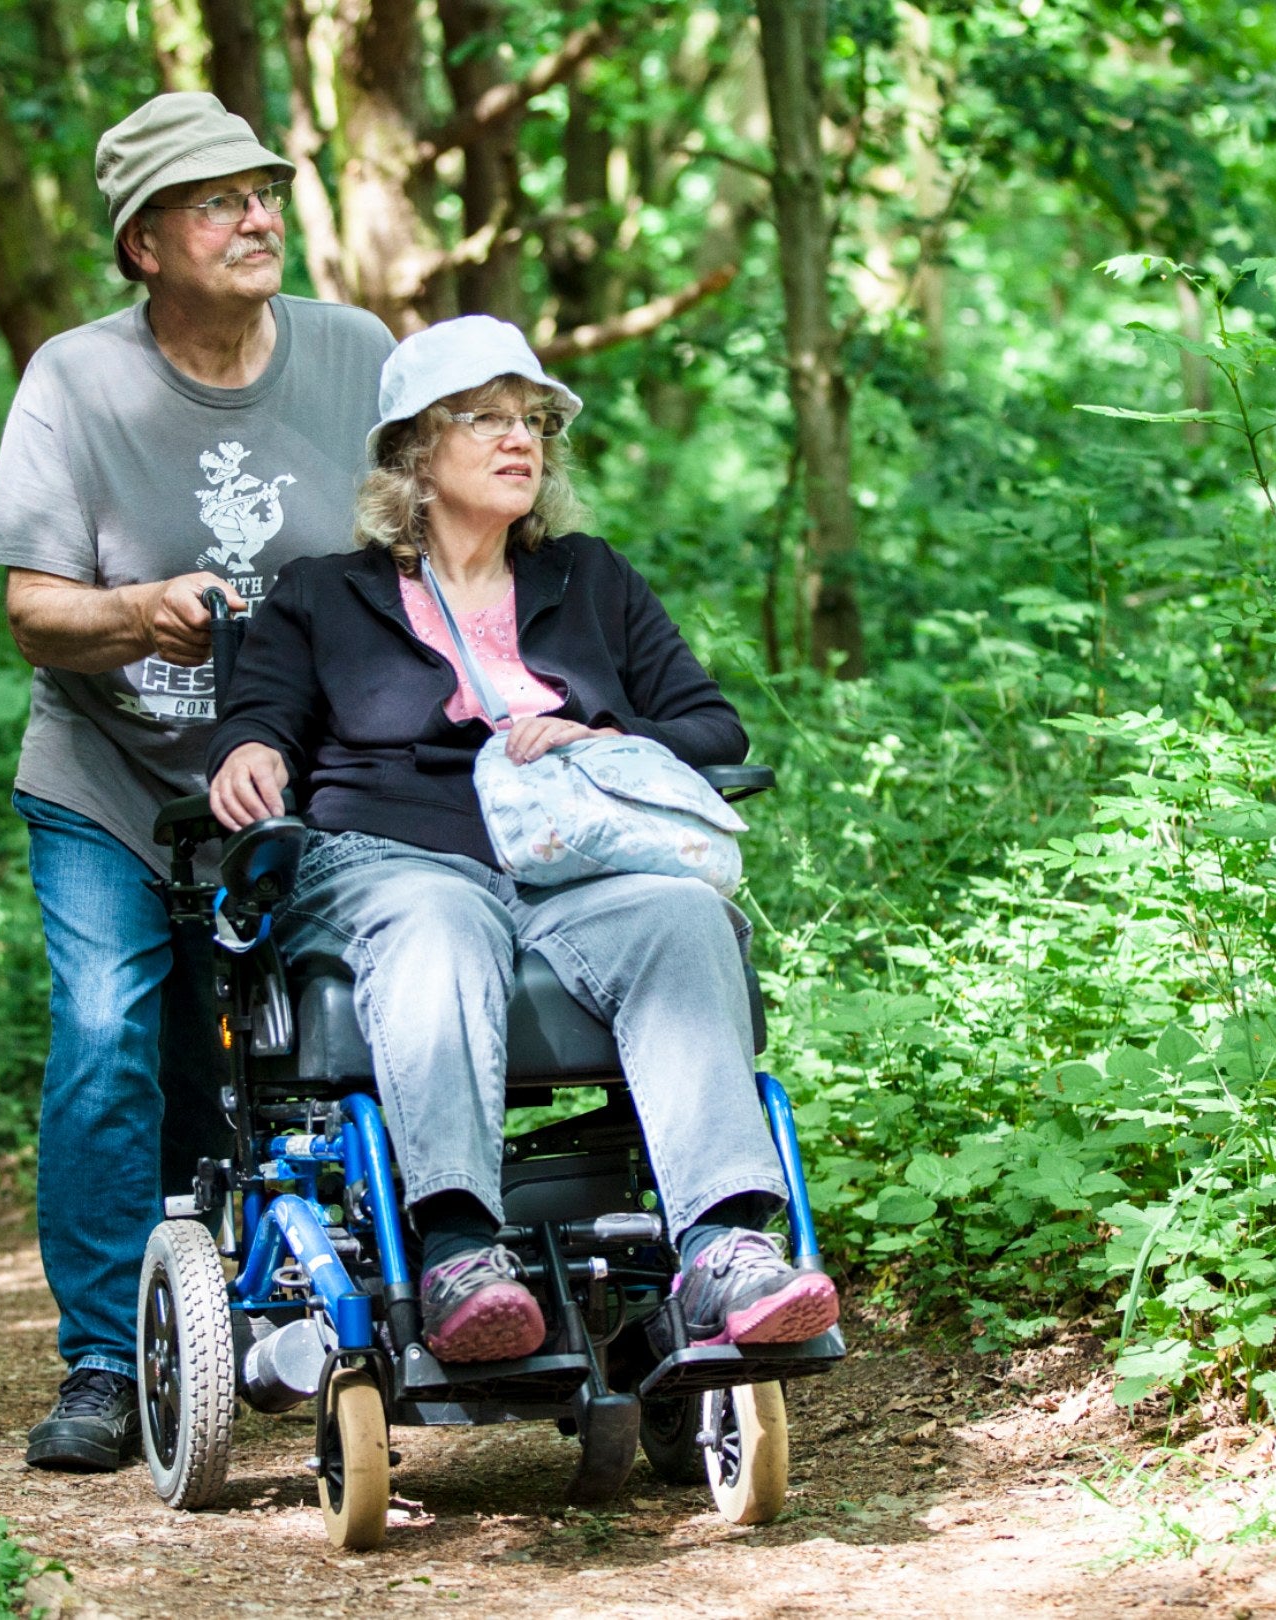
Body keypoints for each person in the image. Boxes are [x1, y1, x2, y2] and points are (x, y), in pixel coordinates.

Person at [206, 316, 841, 1363]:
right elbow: (261, 716)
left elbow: (711, 726)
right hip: (390, 861)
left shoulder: (589, 579)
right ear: (415, 451)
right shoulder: (326, 595)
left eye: (534, 420)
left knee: (684, 914)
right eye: (487, 418)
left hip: (567, 872)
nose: (521, 441)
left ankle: (725, 1252)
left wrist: (601, 732)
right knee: (440, 918)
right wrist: (250, 754)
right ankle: (457, 1249)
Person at [0, 90, 394, 1470]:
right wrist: (137, 610)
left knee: (320, 1046)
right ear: (145, 243)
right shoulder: (76, 380)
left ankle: (350, 1308)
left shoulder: (355, 355)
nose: (260, 216)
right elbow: (35, 610)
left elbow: (426, 554)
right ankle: (105, 1360)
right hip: (112, 778)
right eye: (220, 202)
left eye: (267, 191)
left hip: (298, 783)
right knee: (109, 1045)